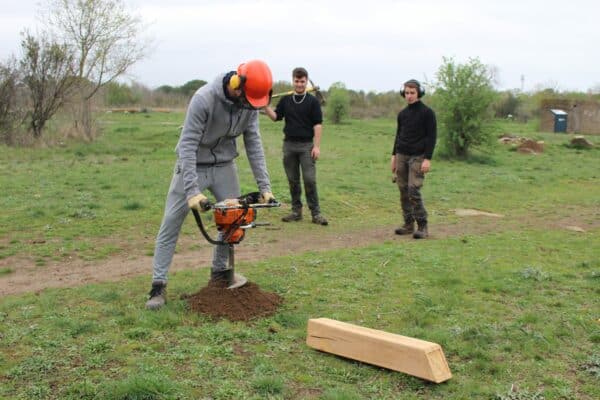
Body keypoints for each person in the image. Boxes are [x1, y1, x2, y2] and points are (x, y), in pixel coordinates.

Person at [146, 60, 277, 310]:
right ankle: (158, 286)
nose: (251, 108)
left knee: (233, 218)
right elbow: (187, 146)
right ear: (237, 86)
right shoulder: (203, 99)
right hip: (193, 164)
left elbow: (254, 144)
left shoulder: (249, 105)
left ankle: (220, 276)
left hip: (224, 165)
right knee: (171, 222)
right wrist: (193, 191)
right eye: (249, 101)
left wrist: (265, 187)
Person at [263, 67, 328, 225]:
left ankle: (316, 213)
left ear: (306, 82)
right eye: (297, 81)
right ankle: (296, 211)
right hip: (289, 146)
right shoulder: (286, 100)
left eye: (302, 81)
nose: (299, 84)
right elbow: (276, 117)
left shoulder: (312, 102)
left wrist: (316, 147)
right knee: (293, 180)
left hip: (306, 146)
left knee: (309, 180)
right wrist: (265, 105)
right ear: (293, 81)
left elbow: (318, 125)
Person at [391, 79, 437, 239]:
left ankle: (422, 225)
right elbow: (398, 136)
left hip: (418, 156)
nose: (409, 96)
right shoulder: (402, 114)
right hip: (402, 154)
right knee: (403, 189)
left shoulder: (427, 113)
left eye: (412, 93)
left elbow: (432, 137)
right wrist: (394, 157)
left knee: (413, 189)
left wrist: (427, 159)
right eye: (407, 93)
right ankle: (408, 224)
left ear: (419, 93)